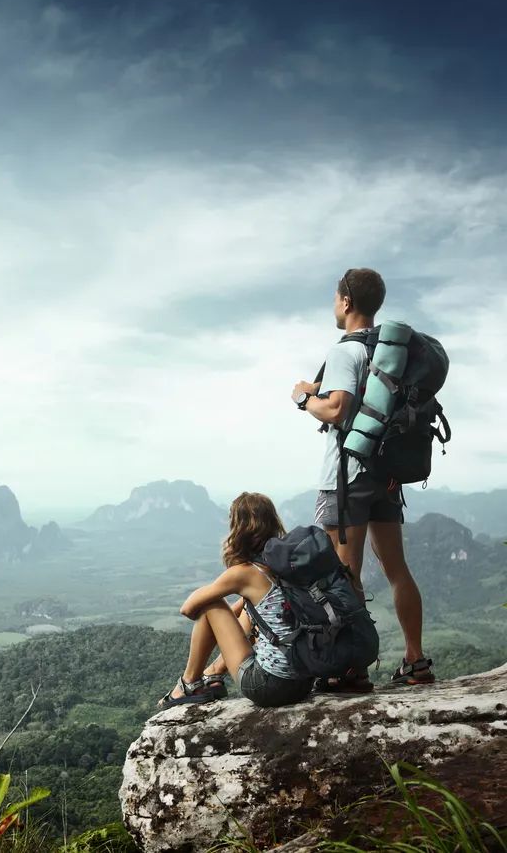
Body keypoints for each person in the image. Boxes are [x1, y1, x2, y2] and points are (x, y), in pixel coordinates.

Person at [291, 267, 433, 690]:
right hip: (387, 476)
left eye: (335, 297)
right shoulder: (392, 353)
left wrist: (303, 398)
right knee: (397, 569)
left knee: (343, 573)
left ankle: (350, 669)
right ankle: (416, 660)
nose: (334, 304)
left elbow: (336, 409)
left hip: (348, 476)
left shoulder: (345, 352)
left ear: (347, 301)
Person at [157, 492, 314, 709]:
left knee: (212, 604)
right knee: (246, 609)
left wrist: (212, 592)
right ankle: (212, 675)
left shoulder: (245, 573)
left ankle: (188, 683)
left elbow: (188, 608)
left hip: (269, 687)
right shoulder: (285, 565)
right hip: (304, 682)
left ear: (239, 527)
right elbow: (247, 614)